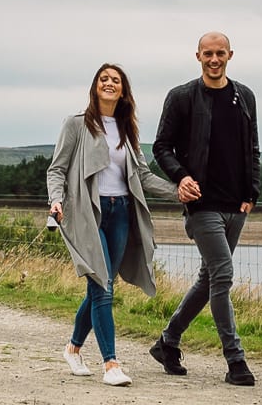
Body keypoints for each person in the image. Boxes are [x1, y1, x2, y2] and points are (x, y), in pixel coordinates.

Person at [47, 63, 178, 386]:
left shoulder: (127, 128)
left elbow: (143, 177)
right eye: (103, 79)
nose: (109, 83)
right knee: (102, 285)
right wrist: (56, 199)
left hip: (121, 212)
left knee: (101, 286)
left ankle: (73, 348)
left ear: (123, 90)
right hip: (88, 214)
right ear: (95, 87)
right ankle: (111, 364)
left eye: (115, 80)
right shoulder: (77, 124)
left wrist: (180, 192)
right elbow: (57, 169)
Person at [151, 32, 260, 385]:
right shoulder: (182, 97)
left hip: (236, 204)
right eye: (208, 54)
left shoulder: (245, 97)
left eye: (220, 53)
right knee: (223, 275)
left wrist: (252, 191)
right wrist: (181, 178)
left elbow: (253, 147)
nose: (214, 59)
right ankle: (236, 361)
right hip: (202, 205)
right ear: (197, 56)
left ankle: (168, 341)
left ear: (230, 55)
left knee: (209, 277)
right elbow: (161, 147)